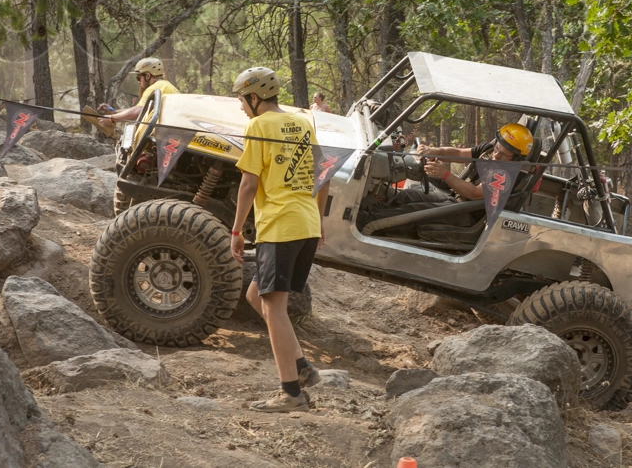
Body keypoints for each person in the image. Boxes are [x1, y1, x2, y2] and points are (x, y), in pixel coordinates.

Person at [229, 66, 328, 413]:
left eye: (242, 101)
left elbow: (248, 184)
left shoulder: (258, 126)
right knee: (256, 295)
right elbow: (323, 174)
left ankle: (291, 393)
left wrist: (237, 231)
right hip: (306, 223)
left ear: (254, 97)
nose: (242, 107)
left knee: (274, 307)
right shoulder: (302, 122)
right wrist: (318, 217)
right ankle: (302, 369)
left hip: (280, 225)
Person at [361, 122, 536, 225]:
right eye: (498, 148)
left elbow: (475, 194)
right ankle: (374, 209)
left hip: (468, 214)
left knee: (412, 210)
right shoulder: (489, 150)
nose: (496, 154)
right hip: (456, 200)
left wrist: (445, 175)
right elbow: (458, 153)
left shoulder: (508, 174)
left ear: (516, 157)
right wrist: (433, 150)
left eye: (504, 154)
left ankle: (365, 222)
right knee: (409, 195)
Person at [97, 57, 179, 128]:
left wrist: (112, 119)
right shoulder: (166, 85)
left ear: (147, 76)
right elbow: (141, 109)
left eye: (138, 78)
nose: (138, 82)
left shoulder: (154, 88)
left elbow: (138, 111)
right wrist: (115, 112)